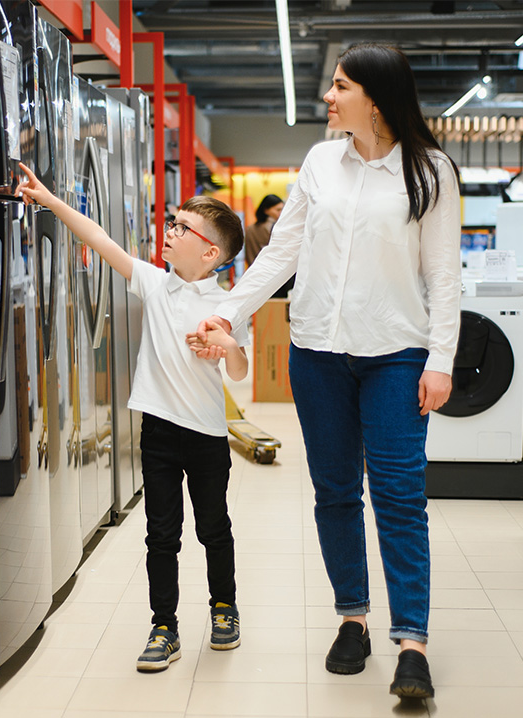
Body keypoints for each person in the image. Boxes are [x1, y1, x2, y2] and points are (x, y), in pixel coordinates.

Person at [188, 43, 460, 699]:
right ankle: (352, 618)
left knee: (399, 496)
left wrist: (442, 359)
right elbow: (281, 253)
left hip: (396, 354)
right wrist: (229, 313)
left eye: (340, 86)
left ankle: (413, 643)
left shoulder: (430, 170)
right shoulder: (319, 163)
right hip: (317, 354)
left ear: (374, 95)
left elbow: (445, 275)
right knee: (336, 492)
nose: (328, 97)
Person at [16, 161, 249, 673]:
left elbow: (238, 370)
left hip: (208, 435)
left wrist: (226, 344)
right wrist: (50, 201)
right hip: (160, 432)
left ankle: (224, 608)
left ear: (210, 252)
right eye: (172, 222)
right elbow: (100, 240)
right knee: (161, 534)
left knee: (214, 527)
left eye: (182, 228)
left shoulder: (231, 302)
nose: (170, 231)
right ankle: (164, 627)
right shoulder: (154, 282)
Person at [244, 194, 293, 298]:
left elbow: (248, 254)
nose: (281, 213)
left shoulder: (250, 229)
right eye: (278, 210)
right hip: (274, 279)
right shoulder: (276, 228)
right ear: (266, 210)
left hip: (256, 278)